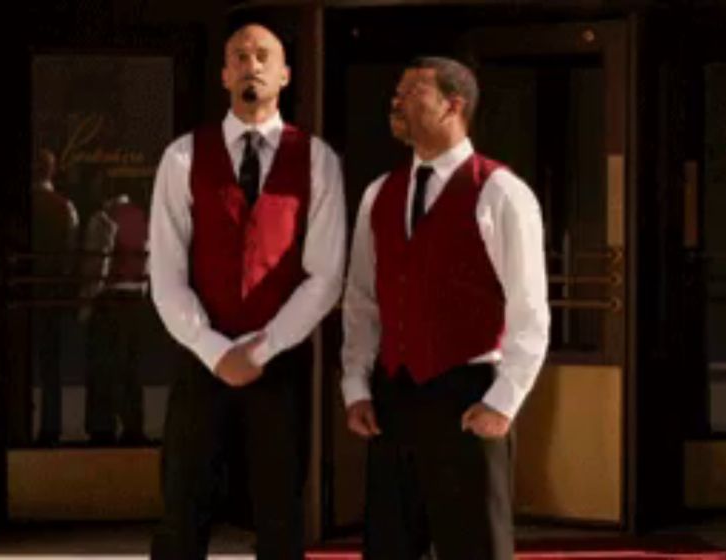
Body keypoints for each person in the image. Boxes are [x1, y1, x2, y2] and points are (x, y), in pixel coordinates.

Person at [148, 22, 346, 560]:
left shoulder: (318, 160)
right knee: (183, 510)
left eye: (263, 56)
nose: (251, 64)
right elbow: (165, 276)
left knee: (281, 515)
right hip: (200, 360)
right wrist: (217, 353)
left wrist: (260, 349)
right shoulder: (183, 158)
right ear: (224, 75)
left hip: (278, 364)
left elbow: (325, 275)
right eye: (239, 56)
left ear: (284, 74)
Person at [341, 57, 550, 560]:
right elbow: (363, 300)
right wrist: (355, 385)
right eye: (396, 92)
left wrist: (504, 401)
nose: (396, 101)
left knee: (474, 548)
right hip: (394, 396)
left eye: (412, 92)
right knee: (389, 547)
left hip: (468, 395)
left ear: (454, 105)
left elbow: (530, 310)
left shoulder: (500, 192)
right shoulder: (379, 194)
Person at [78, 176, 149, 446]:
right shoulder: (143, 219)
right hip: (135, 299)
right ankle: (133, 425)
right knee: (131, 366)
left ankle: (102, 426)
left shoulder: (103, 218)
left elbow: (98, 266)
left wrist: (86, 305)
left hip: (109, 300)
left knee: (103, 366)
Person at [29, 148, 79, 446]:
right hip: (52, 294)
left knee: (20, 361)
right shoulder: (65, 207)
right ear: (52, 171)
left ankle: (20, 424)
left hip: (25, 292)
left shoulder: (23, 206)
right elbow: (71, 255)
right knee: (51, 366)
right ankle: (51, 427)